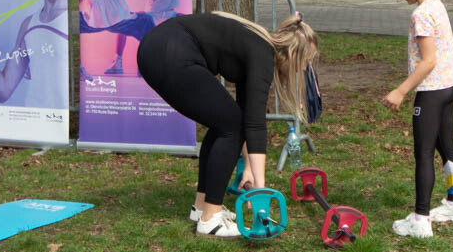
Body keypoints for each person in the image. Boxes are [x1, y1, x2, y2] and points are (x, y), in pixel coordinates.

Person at [136, 12, 318, 238]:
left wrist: (250, 170)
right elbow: (255, 125)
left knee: (226, 122)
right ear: (293, 55)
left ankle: (202, 207)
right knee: (229, 126)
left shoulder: (257, 47)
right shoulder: (262, 56)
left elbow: (247, 116)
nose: (304, 69)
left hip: (159, 48)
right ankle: (210, 221)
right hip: (168, 53)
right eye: (305, 62)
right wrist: (260, 188)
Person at [383, 0, 453, 238]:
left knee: (423, 155)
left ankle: (420, 220)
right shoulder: (436, 4)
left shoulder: (421, 14)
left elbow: (428, 60)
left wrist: (401, 90)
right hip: (449, 87)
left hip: (432, 92)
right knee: (447, 146)